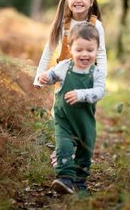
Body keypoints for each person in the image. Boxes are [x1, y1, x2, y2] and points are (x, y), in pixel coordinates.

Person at [38, 22, 105, 194]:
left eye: (90, 50)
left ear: (97, 50)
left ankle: (80, 181)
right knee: (64, 147)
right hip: (64, 119)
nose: (84, 54)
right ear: (70, 48)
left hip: (84, 122)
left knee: (85, 151)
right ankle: (65, 178)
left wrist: (81, 94)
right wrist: (45, 77)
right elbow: (53, 74)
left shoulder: (96, 73)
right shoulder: (65, 66)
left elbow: (100, 91)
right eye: (79, 50)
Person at [33, 0, 107, 88]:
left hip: (87, 80)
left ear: (91, 2)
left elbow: (101, 54)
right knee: (60, 105)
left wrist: (101, 82)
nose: (78, 0)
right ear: (68, 1)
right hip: (63, 79)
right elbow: (49, 50)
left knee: (83, 105)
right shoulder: (62, 24)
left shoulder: (96, 25)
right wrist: (38, 76)